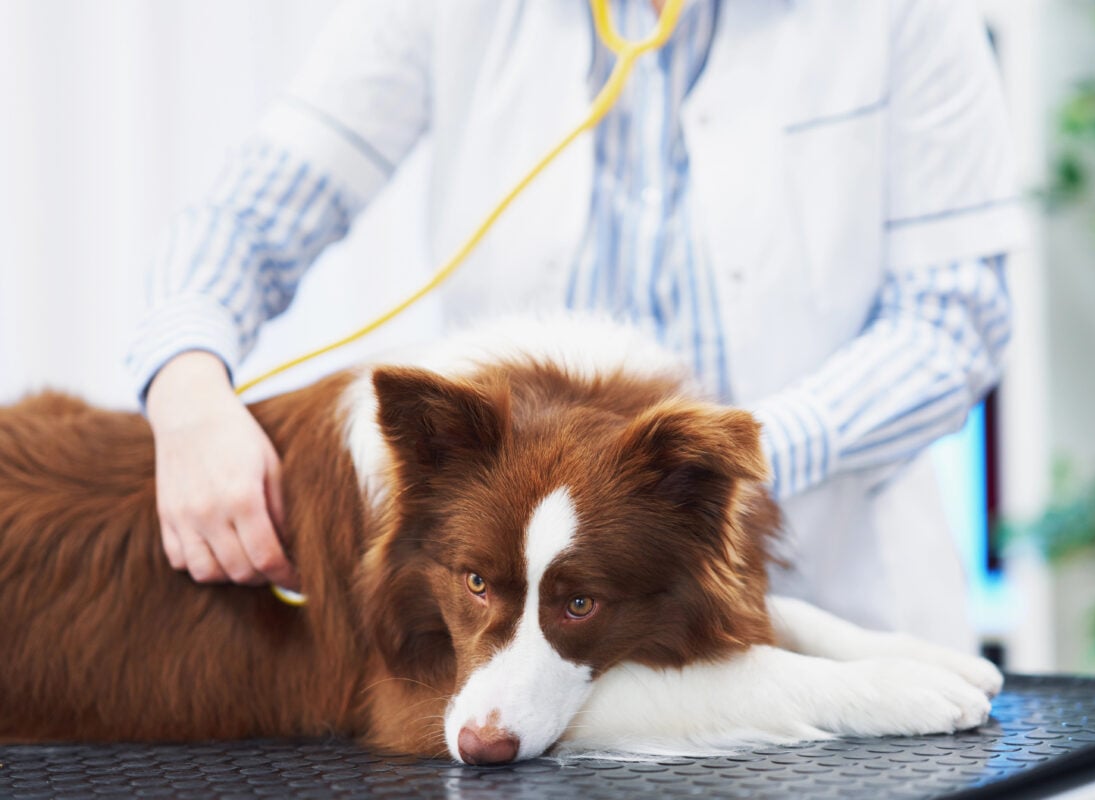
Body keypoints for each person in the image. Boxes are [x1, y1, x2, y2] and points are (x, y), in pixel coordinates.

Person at [129, 0, 1024, 651]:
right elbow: (246, 220)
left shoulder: (907, 18)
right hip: (542, 646)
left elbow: (952, 322)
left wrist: (709, 471)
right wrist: (187, 392)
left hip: (841, 601)